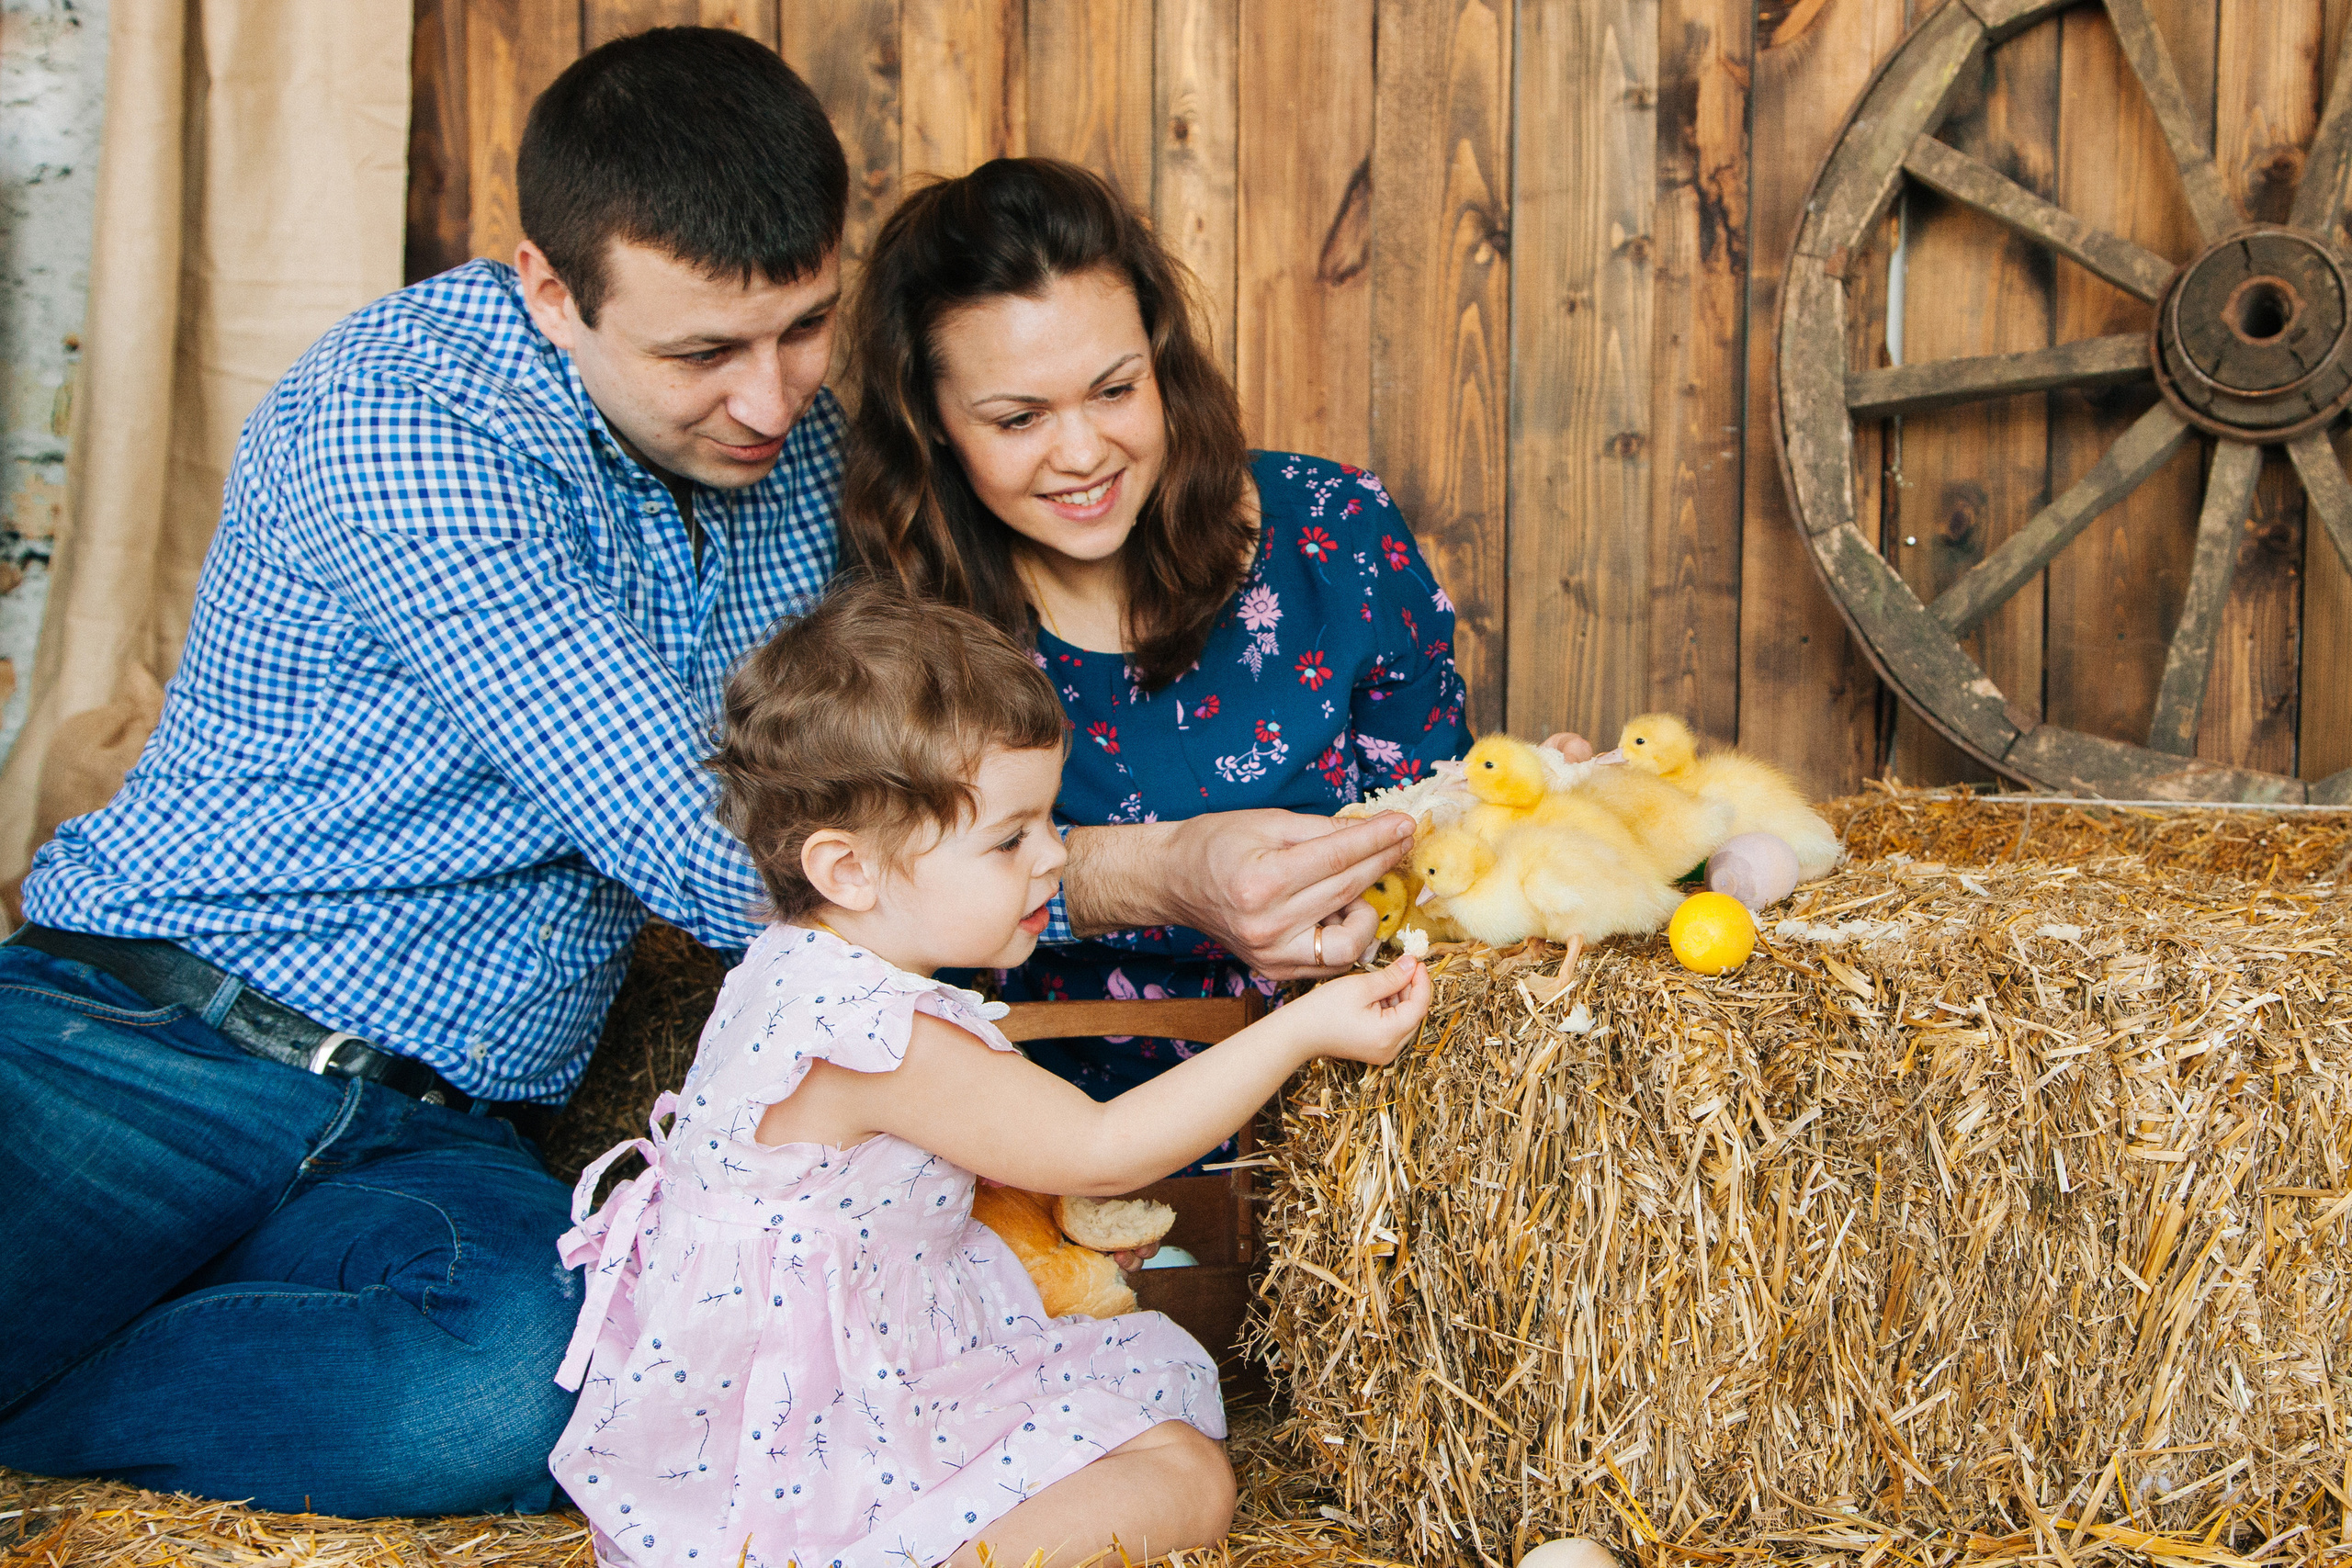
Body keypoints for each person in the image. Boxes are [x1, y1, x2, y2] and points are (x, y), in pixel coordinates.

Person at [0, 30, 1414, 1515]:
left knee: (527, 1391)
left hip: (434, 1134)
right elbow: (720, 845)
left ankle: (52, 1378)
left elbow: (910, 755)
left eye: (804, 328)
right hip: (143, 1039)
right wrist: (1166, 869)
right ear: (551, 289)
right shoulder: (406, 421)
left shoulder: (803, 454)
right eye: (701, 356)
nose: (769, 401)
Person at [548, 581, 1432, 1568]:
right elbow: (1102, 1148)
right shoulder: (877, 1033)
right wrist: (1301, 1028)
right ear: (849, 870)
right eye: (1011, 837)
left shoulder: (792, 968)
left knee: (1142, 1420)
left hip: (831, 1370)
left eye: (1049, 820)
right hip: (821, 1423)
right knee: (1187, 1478)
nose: (1055, 857)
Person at [840, 159, 1467, 1133]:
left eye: (1114, 390)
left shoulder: (1334, 529)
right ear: (932, 422)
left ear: (1162, 362)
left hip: (1356, 1116)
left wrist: (1505, 821)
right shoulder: (904, 626)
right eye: (1018, 418)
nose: (1083, 453)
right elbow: (882, 913)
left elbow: (1439, 818)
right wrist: (1162, 873)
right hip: (1052, 1130)